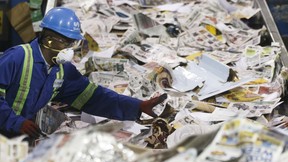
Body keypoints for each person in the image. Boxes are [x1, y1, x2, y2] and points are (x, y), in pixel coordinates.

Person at [0, 7, 167, 139]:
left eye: (72, 42)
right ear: (49, 39)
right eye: (66, 42)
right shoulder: (18, 58)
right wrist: (16, 122)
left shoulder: (61, 69)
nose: (70, 48)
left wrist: (136, 106)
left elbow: (92, 96)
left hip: (21, 136)